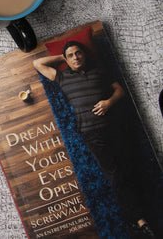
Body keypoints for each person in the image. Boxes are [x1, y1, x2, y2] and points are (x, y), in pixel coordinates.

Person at [33, 40, 155, 238]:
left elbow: (120, 91)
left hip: (114, 127)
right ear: (66, 59)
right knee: (115, 176)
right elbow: (37, 64)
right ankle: (140, 221)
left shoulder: (99, 71)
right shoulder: (63, 76)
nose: (76, 57)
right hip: (91, 133)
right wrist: (61, 57)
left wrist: (108, 102)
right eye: (70, 55)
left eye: (78, 53)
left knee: (129, 168)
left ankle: (141, 215)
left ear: (85, 55)